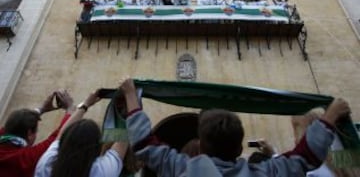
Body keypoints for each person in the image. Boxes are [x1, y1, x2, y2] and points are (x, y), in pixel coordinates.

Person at [121, 78, 351, 177]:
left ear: (200, 146)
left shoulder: (182, 168)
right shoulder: (263, 173)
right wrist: (329, 116)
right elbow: (305, 156)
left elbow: (143, 143)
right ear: (240, 149)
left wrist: (131, 94)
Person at [34, 89, 128, 177]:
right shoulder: (102, 171)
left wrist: (85, 105)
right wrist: (131, 98)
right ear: (97, 148)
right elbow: (124, 138)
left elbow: (61, 135)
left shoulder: (46, 163)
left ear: (65, 141)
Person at [0, 90, 74, 177]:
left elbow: (14, 124)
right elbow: (58, 136)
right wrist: (71, 109)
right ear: (30, 133)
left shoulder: (4, 136)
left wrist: (41, 109)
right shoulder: (25, 159)